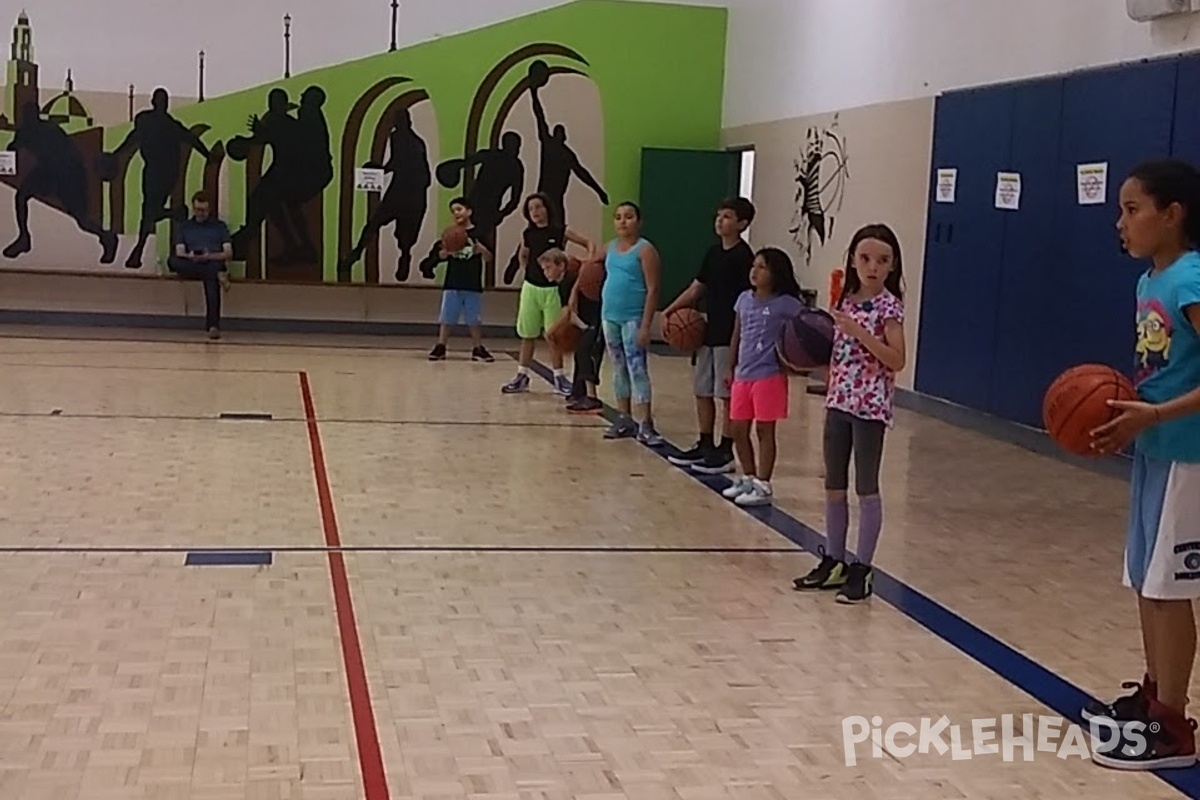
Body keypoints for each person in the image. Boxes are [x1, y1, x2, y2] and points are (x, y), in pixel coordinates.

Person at [1084, 158, 1200, 771]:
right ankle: (1154, 695)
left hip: (1189, 454)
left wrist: (1153, 418)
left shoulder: (1191, 279)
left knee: (1170, 588)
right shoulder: (1147, 282)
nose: (1121, 223)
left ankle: (1176, 727)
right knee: (1145, 581)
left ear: (1172, 214)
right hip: (1154, 450)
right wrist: (1118, 412)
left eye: (1132, 210)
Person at [793, 224, 906, 605]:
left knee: (866, 487)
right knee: (833, 485)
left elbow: (897, 359)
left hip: (870, 406)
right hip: (838, 401)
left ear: (892, 266)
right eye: (865, 258)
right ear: (854, 260)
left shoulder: (889, 306)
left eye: (882, 260)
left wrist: (859, 332)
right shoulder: (844, 301)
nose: (872, 267)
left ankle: (863, 568)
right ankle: (835, 560)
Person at [666, 197, 756, 474]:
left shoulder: (745, 257)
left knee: (726, 395)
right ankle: (705, 443)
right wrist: (670, 310)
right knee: (702, 390)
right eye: (718, 215)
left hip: (731, 334)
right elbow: (697, 288)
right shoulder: (713, 253)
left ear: (742, 223)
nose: (720, 221)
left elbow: (750, 300)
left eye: (727, 216)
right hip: (708, 331)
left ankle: (726, 450)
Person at [720, 248, 804, 508]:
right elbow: (737, 335)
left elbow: (805, 332)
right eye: (753, 266)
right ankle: (748, 475)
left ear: (776, 273)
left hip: (769, 375)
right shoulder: (744, 299)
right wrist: (729, 366)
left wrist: (796, 362)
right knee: (738, 428)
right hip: (743, 374)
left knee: (765, 430)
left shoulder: (787, 304)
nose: (754, 271)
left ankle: (764, 484)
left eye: (762, 267)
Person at [502, 193, 597, 395]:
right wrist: (526, 272)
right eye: (531, 209)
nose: (535, 212)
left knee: (554, 335)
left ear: (547, 209)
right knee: (527, 334)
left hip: (553, 290)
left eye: (538, 207)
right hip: (531, 288)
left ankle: (559, 377)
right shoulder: (528, 234)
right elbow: (523, 254)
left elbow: (588, 242)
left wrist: (588, 261)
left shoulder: (560, 230)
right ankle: (522, 375)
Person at [600, 202, 663, 444]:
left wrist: (646, 325)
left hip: (633, 318)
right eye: (618, 217)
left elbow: (653, 288)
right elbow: (590, 264)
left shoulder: (645, 250)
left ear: (639, 221)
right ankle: (624, 417)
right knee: (618, 368)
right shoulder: (610, 247)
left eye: (628, 216)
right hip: (609, 316)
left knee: (637, 369)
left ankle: (646, 423)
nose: (622, 221)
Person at [425, 197, 495, 362]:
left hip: (472, 283)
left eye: (459, 209)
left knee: (474, 319)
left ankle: (478, 348)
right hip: (453, 282)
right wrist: (444, 254)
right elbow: (440, 255)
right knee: (447, 317)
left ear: (469, 211)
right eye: (453, 211)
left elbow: (489, 257)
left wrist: (481, 250)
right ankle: (441, 346)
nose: (456, 213)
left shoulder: (479, 233)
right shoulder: (450, 234)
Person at [168, 191, 232, 340]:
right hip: (192, 263)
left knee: (211, 276)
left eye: (203, 210)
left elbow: (228, 253)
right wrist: (190, 256)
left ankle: (213, 326)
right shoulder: (185, 226)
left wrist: (208, 256)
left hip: (211, 260)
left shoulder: (219, 226)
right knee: (172, 261)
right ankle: (218, 272)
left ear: (209, 209)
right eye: (197, 210)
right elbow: (179, 251)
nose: (200, 213)